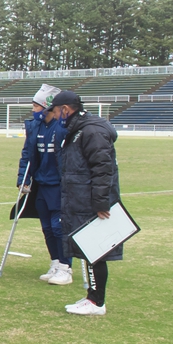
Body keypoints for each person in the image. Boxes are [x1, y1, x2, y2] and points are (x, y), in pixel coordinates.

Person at [52, 90, 122, 316]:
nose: (55, 116)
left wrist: (101, 202)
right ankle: (92, 297)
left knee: (95, 251)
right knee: (86, 249)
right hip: (80, 198)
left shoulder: (91, 131)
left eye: (56, 111)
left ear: (65, 109)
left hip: (91, 202)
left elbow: (103, 168)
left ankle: (97, 301)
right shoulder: (77, 130)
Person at [16, 84, 72, 285]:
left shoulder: (62, 127)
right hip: (40, 184)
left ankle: (66, 267)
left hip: (58, 185)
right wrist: (23, 178)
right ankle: (55, 262)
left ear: (47, 107)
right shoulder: (35, 127)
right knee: (47, 227)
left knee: (58, 227)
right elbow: (27, 154)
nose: (33, 110)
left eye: (36, 106)